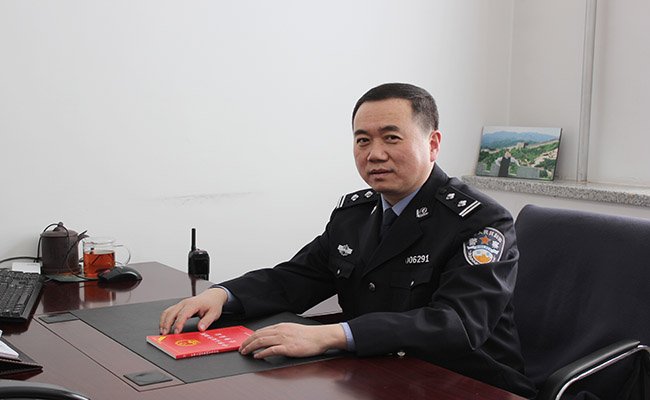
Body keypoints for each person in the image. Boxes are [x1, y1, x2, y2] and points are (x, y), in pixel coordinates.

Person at [159, 83, 536, 398]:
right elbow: (296, 278)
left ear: (433, 144)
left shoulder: (480, 221)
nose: (375, 154)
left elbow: (457, 325)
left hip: (467, 383)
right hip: (377, 375)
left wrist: (333, 335)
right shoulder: (355, 214)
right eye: (362, 140)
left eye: (391, 138)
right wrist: (222, 295)